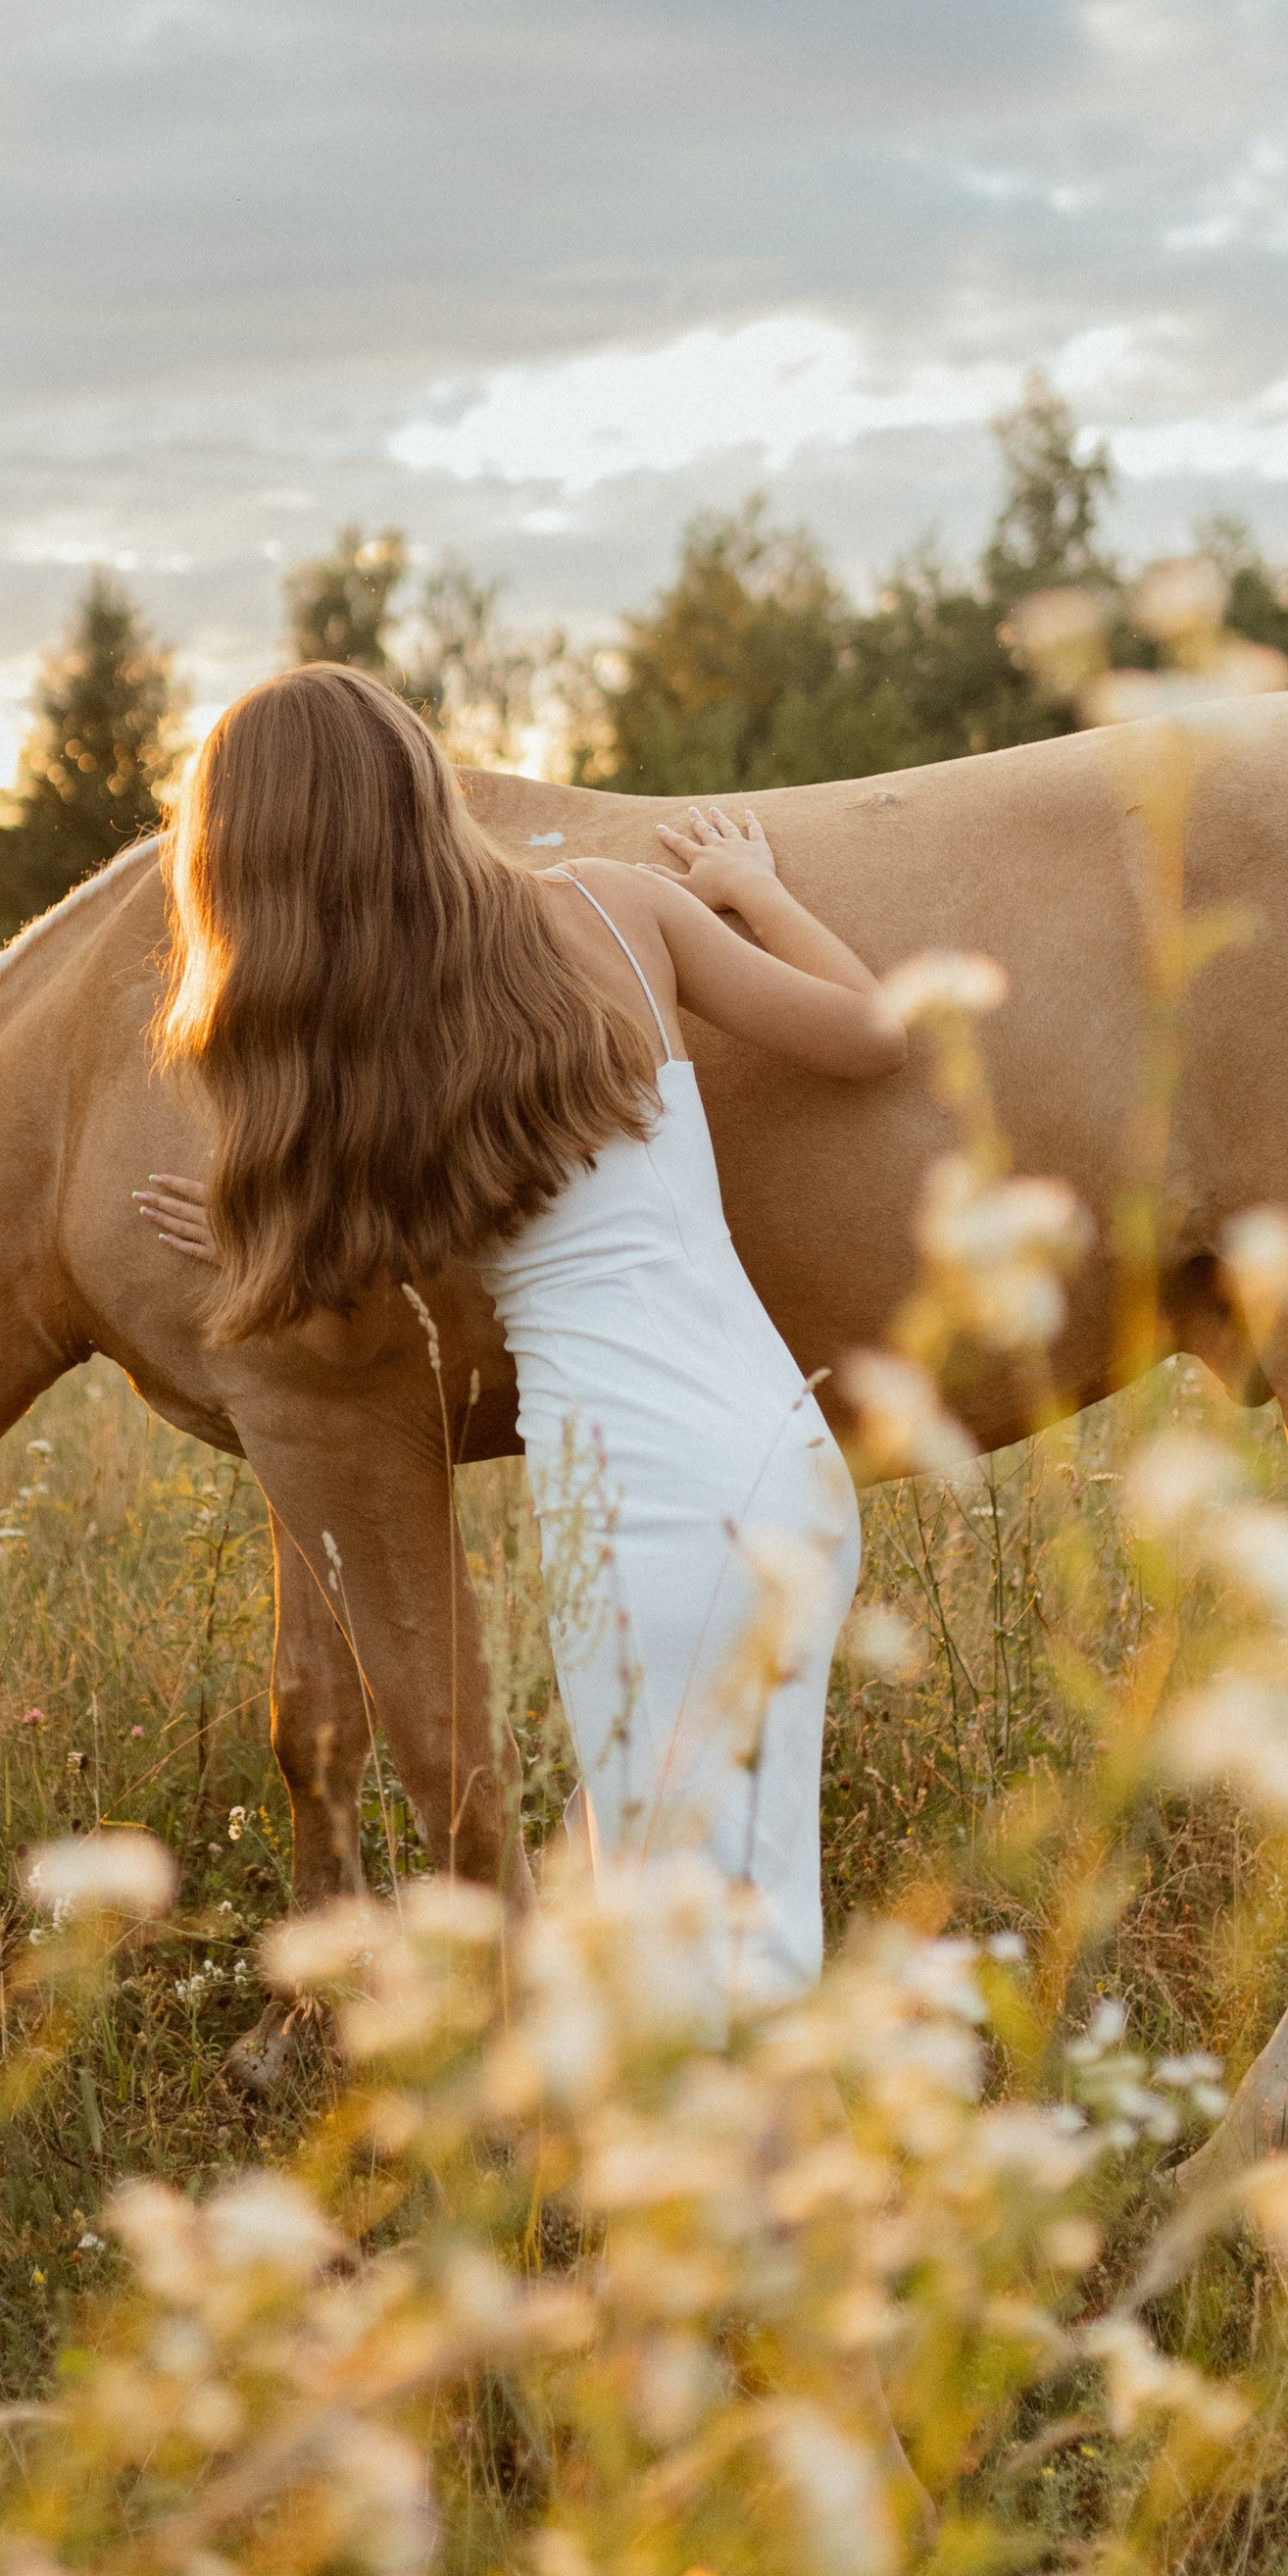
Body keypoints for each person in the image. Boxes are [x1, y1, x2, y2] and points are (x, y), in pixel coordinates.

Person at [133, 662, 905, 1996]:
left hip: (639, 1504)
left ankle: (744, 2196)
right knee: (739, 1908)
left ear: (246, 866)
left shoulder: (354, 1060)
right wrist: (761, 890)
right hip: (785, 1458)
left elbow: (351, 1324)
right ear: (424, 784)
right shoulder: (620, 908)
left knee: (699, 1960)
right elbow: (877, 1034)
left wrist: (258, 1242)